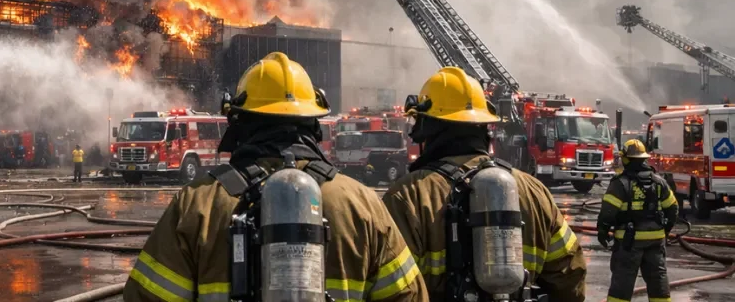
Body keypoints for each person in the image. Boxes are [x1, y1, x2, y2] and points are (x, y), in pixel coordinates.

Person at [124, 52, 424, 302]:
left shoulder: (196, 205)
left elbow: (145, 297)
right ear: (314, 124)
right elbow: (409, 296)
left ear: (239, 121)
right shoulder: (362, 204)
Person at [383, 66, 587, 301]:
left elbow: (392, 289)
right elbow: (571, 276)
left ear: (426, 129)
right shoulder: (534, 191)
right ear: (484, 126)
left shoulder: (407, 197)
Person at [597, 139, 678, 302]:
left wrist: (602, 232)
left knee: (622, 281)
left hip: (628, 242)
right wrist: (664, 231)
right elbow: (673, 209)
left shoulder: (620, 184)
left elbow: (607, 213)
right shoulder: (659, 182)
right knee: (658, 280)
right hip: (655, 241)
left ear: (626, 159)